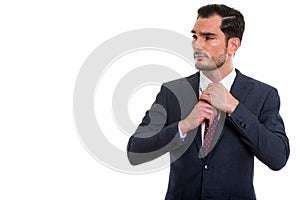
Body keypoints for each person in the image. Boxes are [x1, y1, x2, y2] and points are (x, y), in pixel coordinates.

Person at [127, 4, 289, 200]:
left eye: (208, 38)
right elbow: (135, 151)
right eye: (195, 36)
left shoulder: (263, 95)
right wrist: (184, 125)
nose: (197, 45)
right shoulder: (173, 92)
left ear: (233, 45)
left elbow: (278, 157)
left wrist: (233, 108)